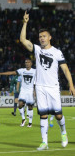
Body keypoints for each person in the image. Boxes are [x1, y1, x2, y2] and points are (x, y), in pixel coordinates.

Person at [20, 11, 75, 150]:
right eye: (40, 37)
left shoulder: (57, 52)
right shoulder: (37, 50)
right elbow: (22, 40)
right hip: (40, 86)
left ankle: (63, 132)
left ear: (50, 37)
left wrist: (71, 84)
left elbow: (65, 70)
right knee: (43, 114)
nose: (42, 38)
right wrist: (25, 23)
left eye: (44, 36)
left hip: (53, 87)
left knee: (58, 114)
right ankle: (44, 142)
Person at [0, 59, 36, 127]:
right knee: (20, 104)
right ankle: (23, 119)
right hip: (23, 91)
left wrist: (35, 91)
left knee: (30, 107)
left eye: (28, 62)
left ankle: (30, 122)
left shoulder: (35, 71)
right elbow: (12, 73)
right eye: (26, 62)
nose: (27, 63)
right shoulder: (22, 70)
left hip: (30, 91)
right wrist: (0, 73)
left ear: (31, 63)